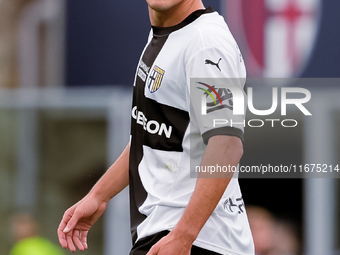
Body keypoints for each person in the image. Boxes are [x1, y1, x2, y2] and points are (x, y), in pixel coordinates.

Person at [57, 0, 255, 254]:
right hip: (173, 234)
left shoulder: (206, 42)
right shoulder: (168, 32)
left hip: (196, 239)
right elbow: (151, 135)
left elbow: (227, 144)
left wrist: (184, 234)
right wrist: (98, 196)